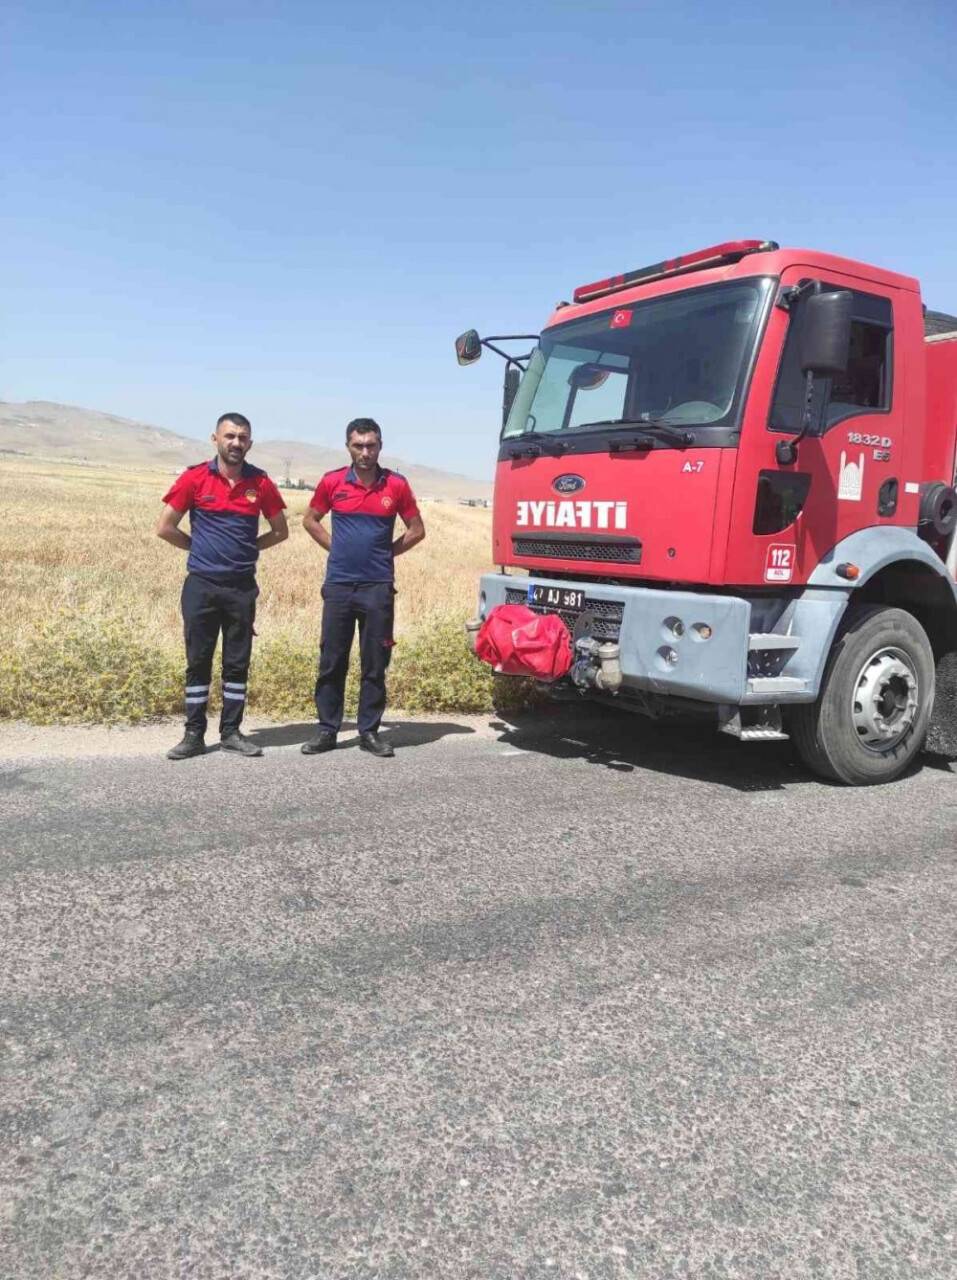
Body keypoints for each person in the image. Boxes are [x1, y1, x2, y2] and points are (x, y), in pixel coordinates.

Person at [156, 412, 288, 760]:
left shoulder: (261, 484)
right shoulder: (194, 478)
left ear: (250, 443)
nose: (236, 443)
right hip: (201, 585)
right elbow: (165, 527)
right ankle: (193, 734)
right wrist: (197, 548)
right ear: (215, 439)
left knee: (237, 663)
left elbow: (280, 531)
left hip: (241, 588)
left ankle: (231, 732)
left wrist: (247, 550)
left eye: (243, 437)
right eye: (230, 436)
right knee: (198, 661)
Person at [301, 418, 425, 757]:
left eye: (371, 445)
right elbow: (310, 520)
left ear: (380, 446)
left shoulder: (396, 485)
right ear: (348, 447)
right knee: (332, 660)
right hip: (340, 585)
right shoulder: (332, 482)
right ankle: (327, 730)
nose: (365, 452)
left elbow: (416, 530)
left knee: (374, 662)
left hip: (377, 587)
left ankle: (369, 732)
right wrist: (336, 547)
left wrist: (387, 553)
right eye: (359, 445)